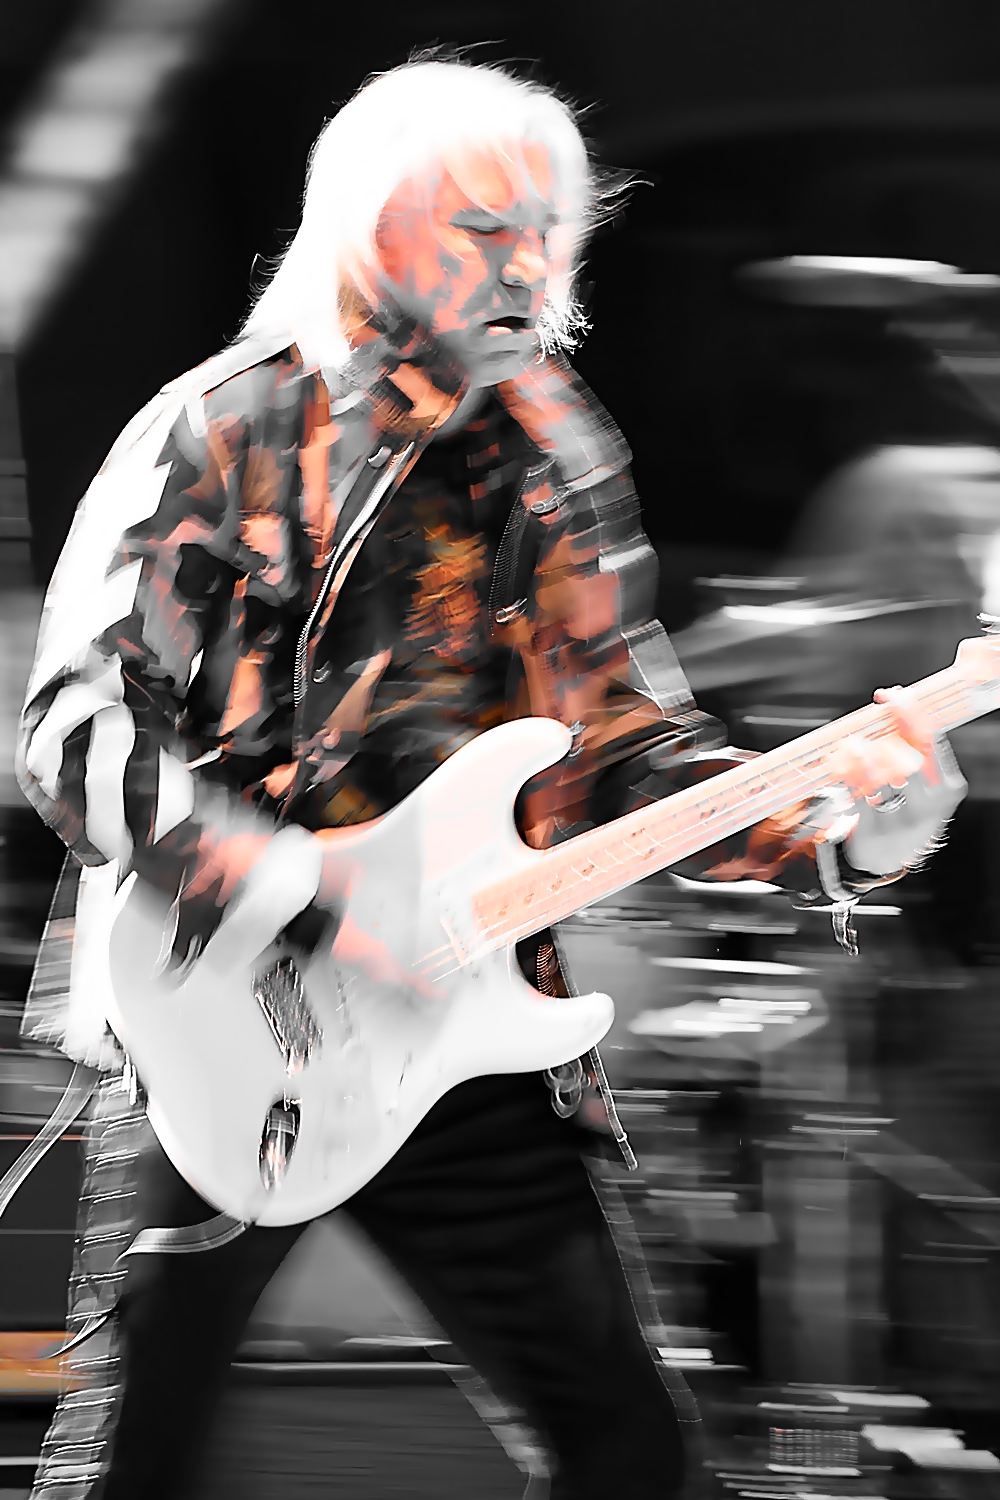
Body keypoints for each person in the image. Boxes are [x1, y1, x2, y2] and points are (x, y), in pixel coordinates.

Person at [15, 56, 966, 1500]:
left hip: (462, 1024)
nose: (530, 264)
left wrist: (841, 828)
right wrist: (303, 886)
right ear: (370, 229)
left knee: (630, 1455)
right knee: (136, 1466)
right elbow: (73, 730)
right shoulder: (225, 428)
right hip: (223, 1015)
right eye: (484, 229)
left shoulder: (554, 445)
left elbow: (624, 752)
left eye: (551, 231)